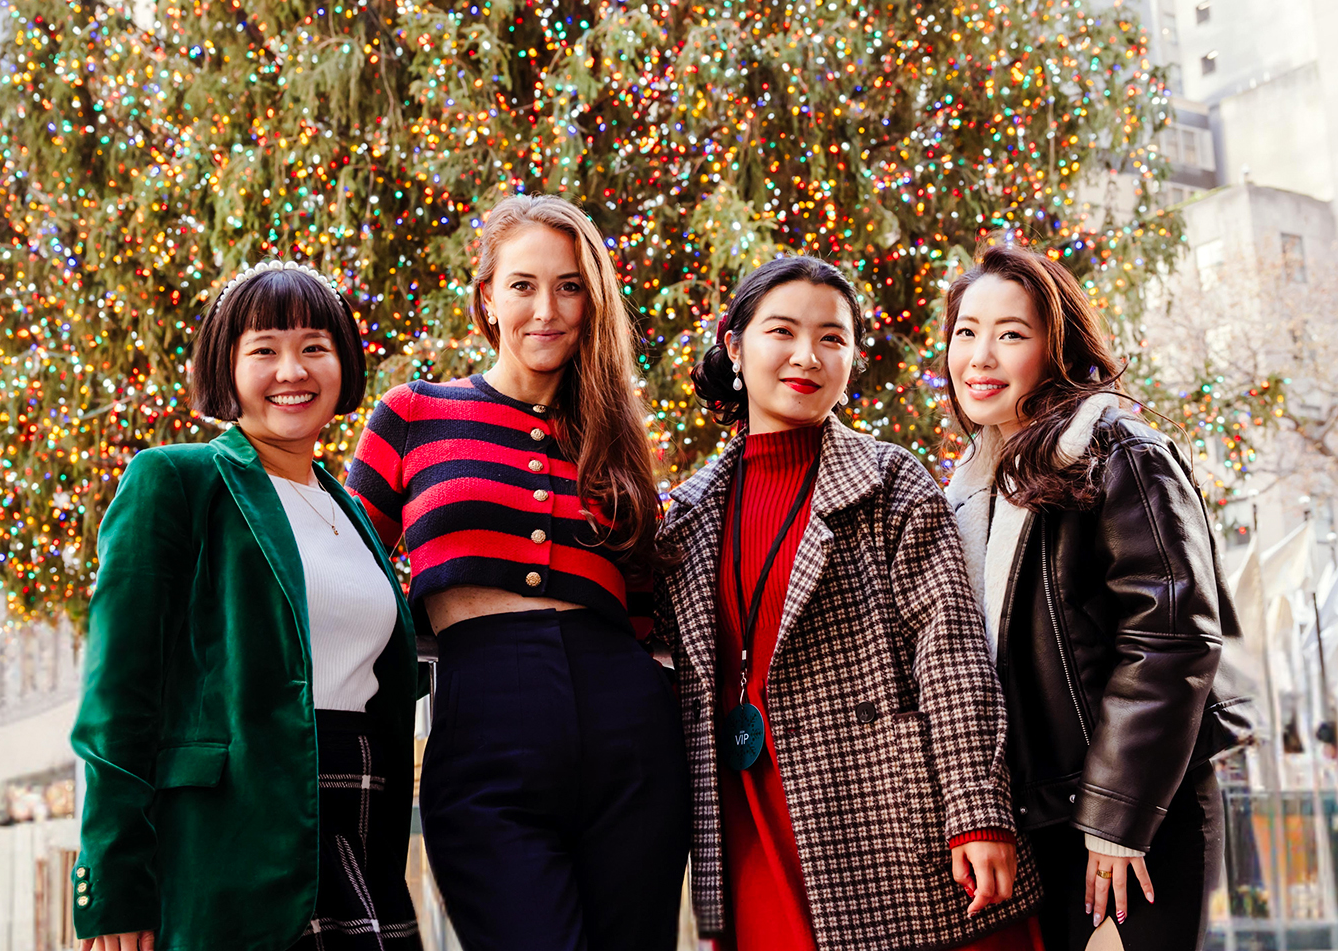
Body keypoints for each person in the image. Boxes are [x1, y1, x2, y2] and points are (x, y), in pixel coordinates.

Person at [654, 255, 1043, 951]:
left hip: (896, 827)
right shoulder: (685, 515)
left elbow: (949, 650)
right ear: (735, 345)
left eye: (832, 337)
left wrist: (979, 814)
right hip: (748, 822)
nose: (808, 356)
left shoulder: (891, 481)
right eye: (783, 331)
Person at [346, 195, 688, 951]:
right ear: (488, 300)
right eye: (524, 285)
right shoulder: (412, 414)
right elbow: (347, 571)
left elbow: (646, 609)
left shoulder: (616, 436)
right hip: (483, 723)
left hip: (628, 728)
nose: (548, 309)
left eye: (569, 286)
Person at [71, 262, 422, 951]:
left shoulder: (351, 513)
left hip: (361, 830)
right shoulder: (175, 480)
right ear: (226, 368)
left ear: (342, 363)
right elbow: (117, 696)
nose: (292, 369)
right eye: (264, 349)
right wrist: (111, 879)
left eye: (314, 346)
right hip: (232, 843)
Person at [943, 244, 1251, 950]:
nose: (980, 356)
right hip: (1044, 810)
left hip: (1140, 809)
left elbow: (1172, 637)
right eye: (966, 331)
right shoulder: (973, 485)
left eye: (1011, 334)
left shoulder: (1119, 451)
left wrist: (1119, 818)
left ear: (1057, 347)